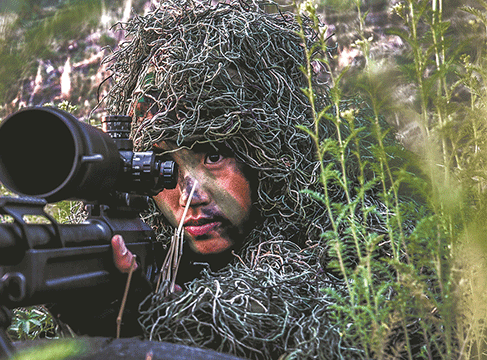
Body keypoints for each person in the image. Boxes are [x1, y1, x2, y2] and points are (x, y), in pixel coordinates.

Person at [99, 0, 404, 358]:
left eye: (213, 156)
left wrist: (177, 319)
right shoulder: (146, 249)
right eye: (162, 164)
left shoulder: (347, 234)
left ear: (268, 155)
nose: (189, 194)